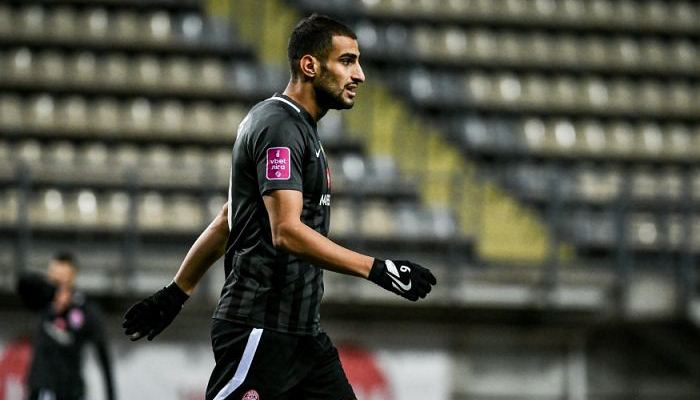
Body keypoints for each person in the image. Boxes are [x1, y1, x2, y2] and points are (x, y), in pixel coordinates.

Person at [122, 14, 437, 400]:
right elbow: (285, 231)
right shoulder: (279, 127)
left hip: (303, 337)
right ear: (310, 65)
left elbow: (230, 219)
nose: (360, 75)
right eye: (347, 61)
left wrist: (176, 292)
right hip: (261, 330)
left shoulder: (299, 127)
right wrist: (377, 269)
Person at [16, 251, 116, 400]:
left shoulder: (85, 309)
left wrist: (111, 395)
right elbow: (22, 283)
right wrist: (48, 289)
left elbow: (103, 355)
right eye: (53, 274)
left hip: (70, 389)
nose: (57, 280)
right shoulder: (43, 301)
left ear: (72, 276)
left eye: (62, 276)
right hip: (41, 387)